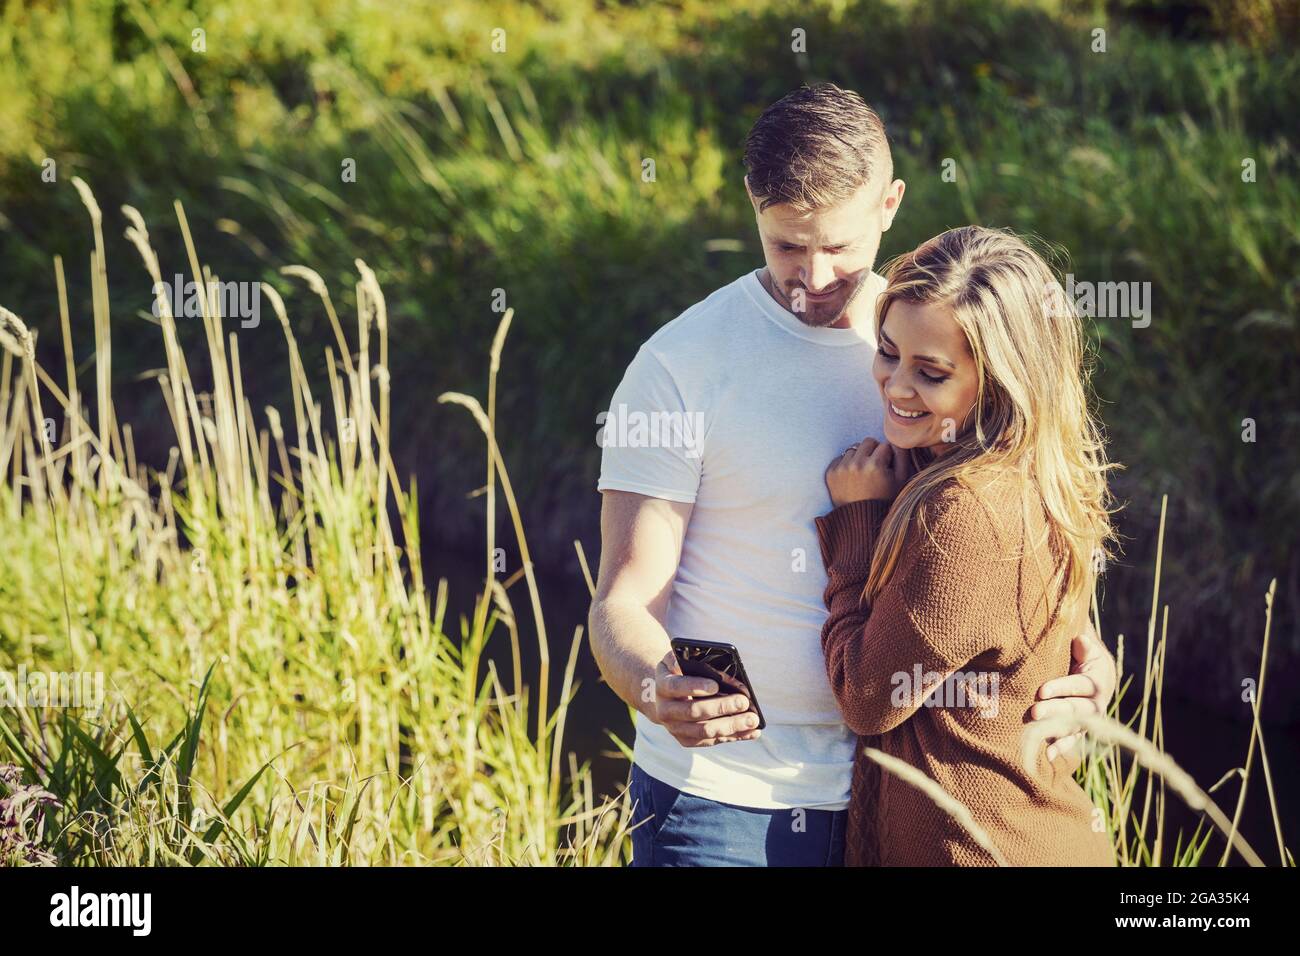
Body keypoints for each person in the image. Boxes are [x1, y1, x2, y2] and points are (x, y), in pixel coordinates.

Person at [589, 83, 1116, 867]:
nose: (813, 274)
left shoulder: (935, 329)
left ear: (890, 203)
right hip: (722, 803)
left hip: (899, 801)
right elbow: (622, 603)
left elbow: (1019, 525)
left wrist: (1092, 664)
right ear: (752, 208)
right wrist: (653, 685)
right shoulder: (679, 366)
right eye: (787, 246)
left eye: (837, 246)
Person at [818, 224, 1116, 866]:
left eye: (931, 372)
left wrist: (857, 525)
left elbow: (870, 696)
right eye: (889, 352)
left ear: (1001, 382)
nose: (896, 386)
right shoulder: (1024, 476)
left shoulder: (967, 509)